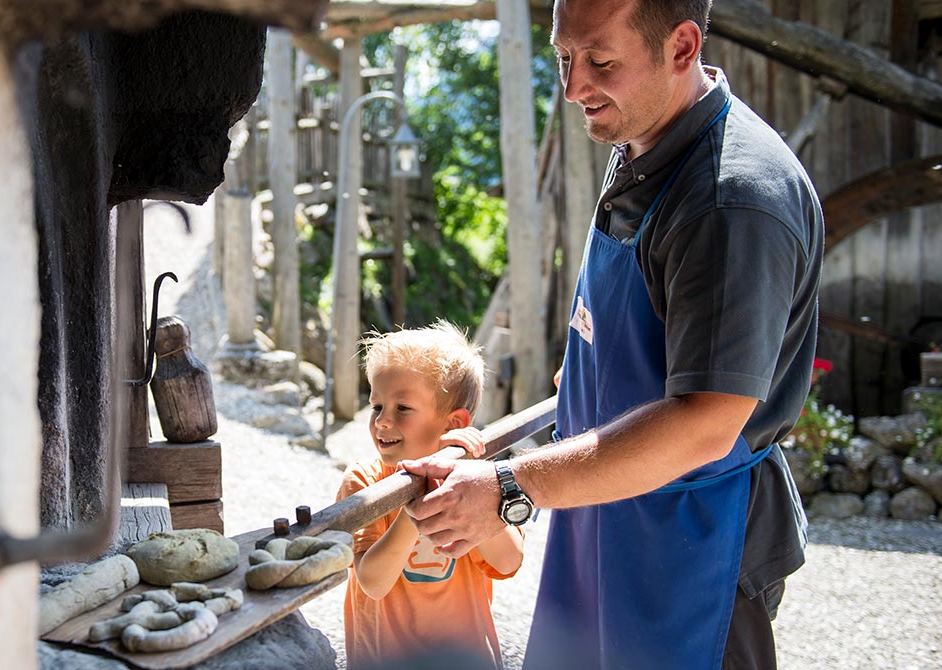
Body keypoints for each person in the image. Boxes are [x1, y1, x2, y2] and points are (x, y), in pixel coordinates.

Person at [400, 1, 822, 669]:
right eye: (564, 58)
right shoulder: (641, 133)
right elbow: (625, 343)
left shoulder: (729, 200)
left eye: (600, 62)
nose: (573, 88)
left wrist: (509, 487)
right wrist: (557, 408)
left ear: (682, 47)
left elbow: (707, 424)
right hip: (603, 508)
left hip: (690, 542)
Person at [338, 322, 526, 670]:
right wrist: (417, 505)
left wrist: (467, 481)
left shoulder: (478, 480)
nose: (382, 421)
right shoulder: (366, 481)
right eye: (376, 406)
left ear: (453, 425)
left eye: (402, 409)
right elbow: (373, 582)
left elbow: (509, 561)